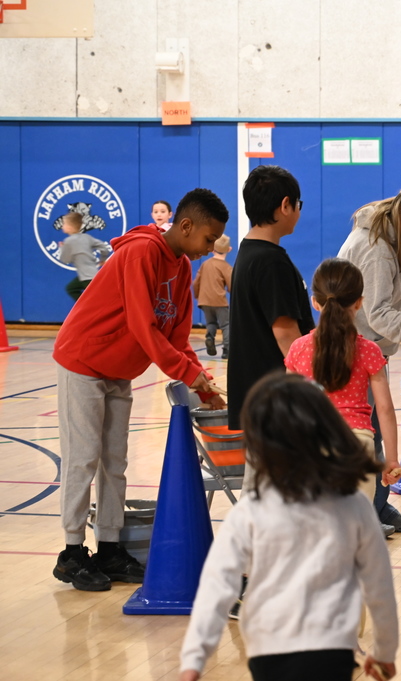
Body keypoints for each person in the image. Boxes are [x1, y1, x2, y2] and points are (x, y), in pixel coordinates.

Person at [52, 189, 228, 592]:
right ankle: (72, 552)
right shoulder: (141, 252)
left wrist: (201, 382)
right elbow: (141, 325)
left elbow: (178, 336)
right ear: (185, 226)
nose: (209, 247)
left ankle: (110, 547)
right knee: (83, 459)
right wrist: (186, 372)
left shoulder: (182, 268)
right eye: (207, 238)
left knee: (115, 460)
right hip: (83, 360)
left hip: (119, 369)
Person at [178, 373, 398, 681]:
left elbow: (218, 585)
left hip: (268, 648)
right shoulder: (353, 504)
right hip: (332, 649)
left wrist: (193, 659)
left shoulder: (250, 510)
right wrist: (385, 652)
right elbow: (378, 585)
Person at [338, 182, 401, 534]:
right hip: (354, 350)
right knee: (364, 435)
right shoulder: (377, 250)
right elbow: (378, 311)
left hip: (368, 347)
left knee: (373, 435)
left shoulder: (388, 243)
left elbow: (377, 290)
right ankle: (364, 515)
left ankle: (377, 507)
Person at [284, 257, 401, 507]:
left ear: (315, 303)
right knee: (354, 537)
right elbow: (385, 409)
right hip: (357, 446)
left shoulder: (298, 349)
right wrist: (391, 460)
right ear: (359, 302)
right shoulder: (369, 350)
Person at [227, 165, 315, 432]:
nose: (299, 211)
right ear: (286, 205)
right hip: (276, 400)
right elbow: (286, 336)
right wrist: (313, 388)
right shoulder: (270, 262)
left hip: (259, 397)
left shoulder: (249, 252)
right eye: (298, 204)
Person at [56, 212, 112, 301]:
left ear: (69, 227)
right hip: (93, 275)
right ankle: (87, 307)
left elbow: (65, 259)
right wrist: (102, 260)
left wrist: (63, 248)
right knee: (71, 288)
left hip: (86, 278)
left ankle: (86, 308)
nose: (62, 226)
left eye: (64, 224)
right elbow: (104, 248)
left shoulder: (68, 241)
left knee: (73, 290)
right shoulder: (87, 237)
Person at [193, 235, 233, 358]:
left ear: (212, 249)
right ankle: (227, 350)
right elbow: (231, 284)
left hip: (204, 300)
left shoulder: (205, 264)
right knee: (226, 325)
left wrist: (197, 295)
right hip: (219, 301)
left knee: (211, 322)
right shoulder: (226, 267)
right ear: (229, 249)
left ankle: (210, 336)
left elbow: (196, 282)